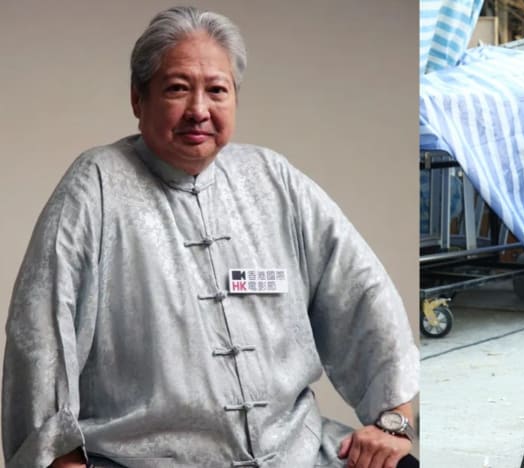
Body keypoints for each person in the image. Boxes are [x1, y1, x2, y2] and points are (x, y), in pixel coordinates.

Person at [2, 7, 419, 468]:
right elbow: (41, 333)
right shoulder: (96, 185)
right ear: (139, 99)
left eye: (217, 90)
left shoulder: (273, 178)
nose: (199, 110)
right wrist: (58, 456)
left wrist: (393, 420)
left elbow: (361, 289)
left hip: (296, 452)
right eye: (177, 89)